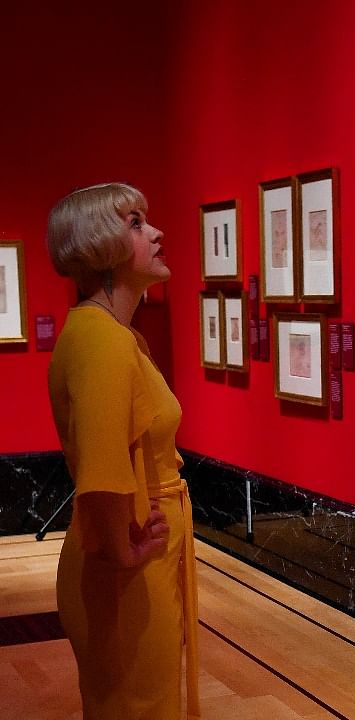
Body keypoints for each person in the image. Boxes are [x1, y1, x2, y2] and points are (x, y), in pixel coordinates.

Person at [46, 183, 200, 718]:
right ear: (99, 244)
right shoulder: (103, 340)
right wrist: (121, 551)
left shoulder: (113, 333)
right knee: (140, 708)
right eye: (135, 223)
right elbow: (103, 465)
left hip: (136, 555)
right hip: (128, 568)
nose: (155, 232)